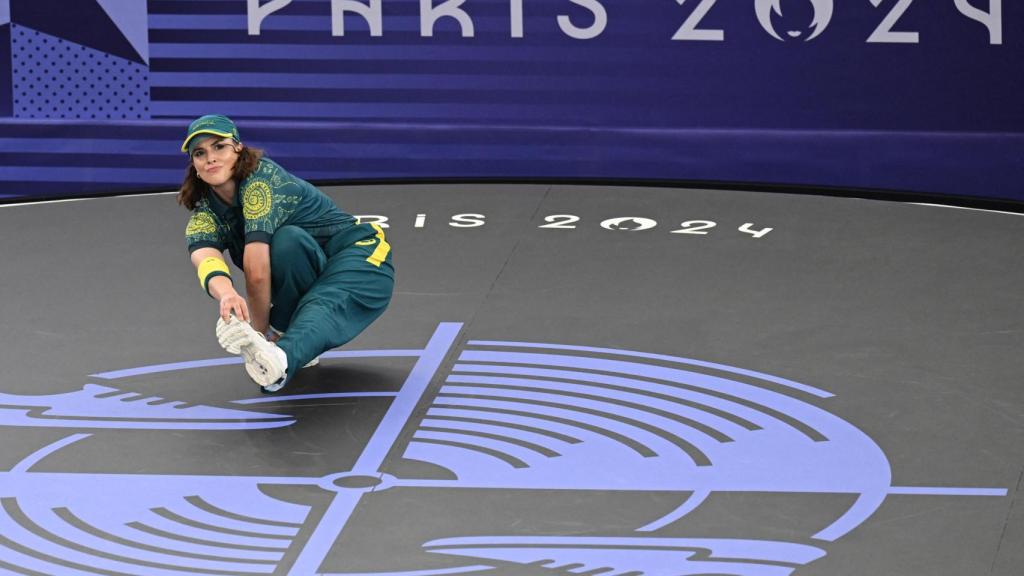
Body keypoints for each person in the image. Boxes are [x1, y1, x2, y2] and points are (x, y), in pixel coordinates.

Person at [178, 114, 394, 392]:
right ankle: (290, 341)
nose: (210, 158)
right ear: (194, 166)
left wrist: (257, 335)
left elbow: (256, 273)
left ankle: (280, 357)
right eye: (200, 153)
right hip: (310, 264)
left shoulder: (261, 181)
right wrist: (227, 294)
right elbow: (205, 259)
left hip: (359, 255)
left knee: (321, 297)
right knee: (287, 243)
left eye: (219, 147)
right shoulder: (205, 215)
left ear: (238, 149)